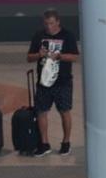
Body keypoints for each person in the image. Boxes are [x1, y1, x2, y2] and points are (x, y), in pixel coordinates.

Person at [27, 9, 81, 156]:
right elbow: (29, 57)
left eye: (51, 23)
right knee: (41, 111)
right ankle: (44, 143)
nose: (49, 27)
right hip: (44, 81)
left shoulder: (67, 35)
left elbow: (75, 57)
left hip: (62, 81)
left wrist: (60, 56)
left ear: (58, 22)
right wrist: (39, 55)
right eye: (46, 24)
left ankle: (66, 142)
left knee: (64, 111)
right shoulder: (39, 35)